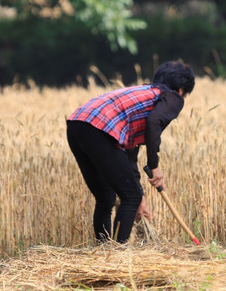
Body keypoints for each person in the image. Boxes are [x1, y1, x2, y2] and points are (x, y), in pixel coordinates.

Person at [66, 61, 195, 243]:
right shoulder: (173, 96)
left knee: (106, 197)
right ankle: (118, 256)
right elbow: (154, 122)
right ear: (182, 89)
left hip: (76, 124)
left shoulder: (143, 94)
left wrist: (141, 196)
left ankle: (103, 253)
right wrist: (154, 167)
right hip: (99, 129)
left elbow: (129, 155)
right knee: (130, 197)